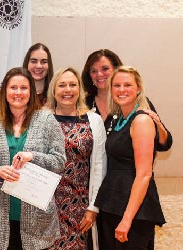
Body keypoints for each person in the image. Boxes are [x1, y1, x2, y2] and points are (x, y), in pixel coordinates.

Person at [0, 67, 66, 250]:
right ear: (4, 91)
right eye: (13, 87)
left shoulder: (47, 120)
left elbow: (59, 162)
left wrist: (33, 156)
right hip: (0, 219)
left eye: (24, 88)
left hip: (37, 220)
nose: (18, 93)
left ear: (32, 92)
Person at [94, 66, 166, 249]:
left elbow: (144, 174)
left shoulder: (141, 120)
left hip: (133, 210)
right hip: (112, 203)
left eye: (127, 85)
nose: (121, 89)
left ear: (138, 88)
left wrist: (127, 220)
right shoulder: (117, 119)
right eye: (116, 85)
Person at [45, 68, 107, 250]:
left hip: (80, 206)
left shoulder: (93, 120)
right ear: (54, 90)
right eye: (62, 85)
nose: (67, 90)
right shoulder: (42, 118)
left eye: (73, 85)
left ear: (80, 89)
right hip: (46, 204)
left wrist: (93, 207)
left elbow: (99, 166)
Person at [81, 49, 172, 151]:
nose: (99, 74)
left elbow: (164, 145)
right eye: (93, 71)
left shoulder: (135, 102)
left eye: (105, 69)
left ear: (116, 70)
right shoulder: (82, 104)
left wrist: (158, 126)